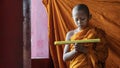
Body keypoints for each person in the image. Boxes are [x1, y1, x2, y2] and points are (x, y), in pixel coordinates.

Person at [63, 4, 108, 68]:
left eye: (82, 19)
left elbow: (103, 56)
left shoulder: (96, 33)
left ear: (89, 17)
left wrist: (85, 50)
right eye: (76, 19)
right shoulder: (70, 34)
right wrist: (75, 51)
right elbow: (65, 57)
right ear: (72, 18)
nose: (79, 22)